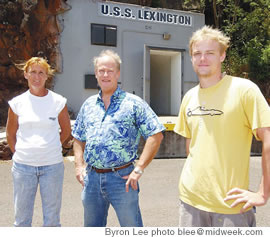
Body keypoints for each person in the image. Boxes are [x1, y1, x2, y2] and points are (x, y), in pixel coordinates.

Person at [174, 26, 270, 227]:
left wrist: (263, 192)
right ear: (191, 58)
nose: (203, 58)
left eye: (210, 53)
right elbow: (191, 148)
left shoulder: (244, 90)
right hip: (190, 202)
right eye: (197, 54)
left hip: (231, 207)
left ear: (222, 55)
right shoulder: (189, 97)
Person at [72, 49, 165, 227]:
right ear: (96, 73)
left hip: (122, 179)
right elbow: (78, 136)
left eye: (110, 70)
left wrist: (139, 169)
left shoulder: (133, 103)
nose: (105, 74)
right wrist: (79, 165)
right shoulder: (88, 105)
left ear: (118, 73)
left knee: (131, 228)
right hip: (91, 179)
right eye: (101, 70)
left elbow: (156, 134)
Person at [6, 57, 71, 227]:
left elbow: (66, 131)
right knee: (21, 220)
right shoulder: (17, 104)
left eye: (41, 72)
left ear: (47, 76)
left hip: (52, 167)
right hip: (23, 167)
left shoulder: (58, 102)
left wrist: (50, 146)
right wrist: (20, 152)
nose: (37, 76)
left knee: (51, 221)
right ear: (26, 74)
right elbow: (10, 133)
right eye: (33, 72)